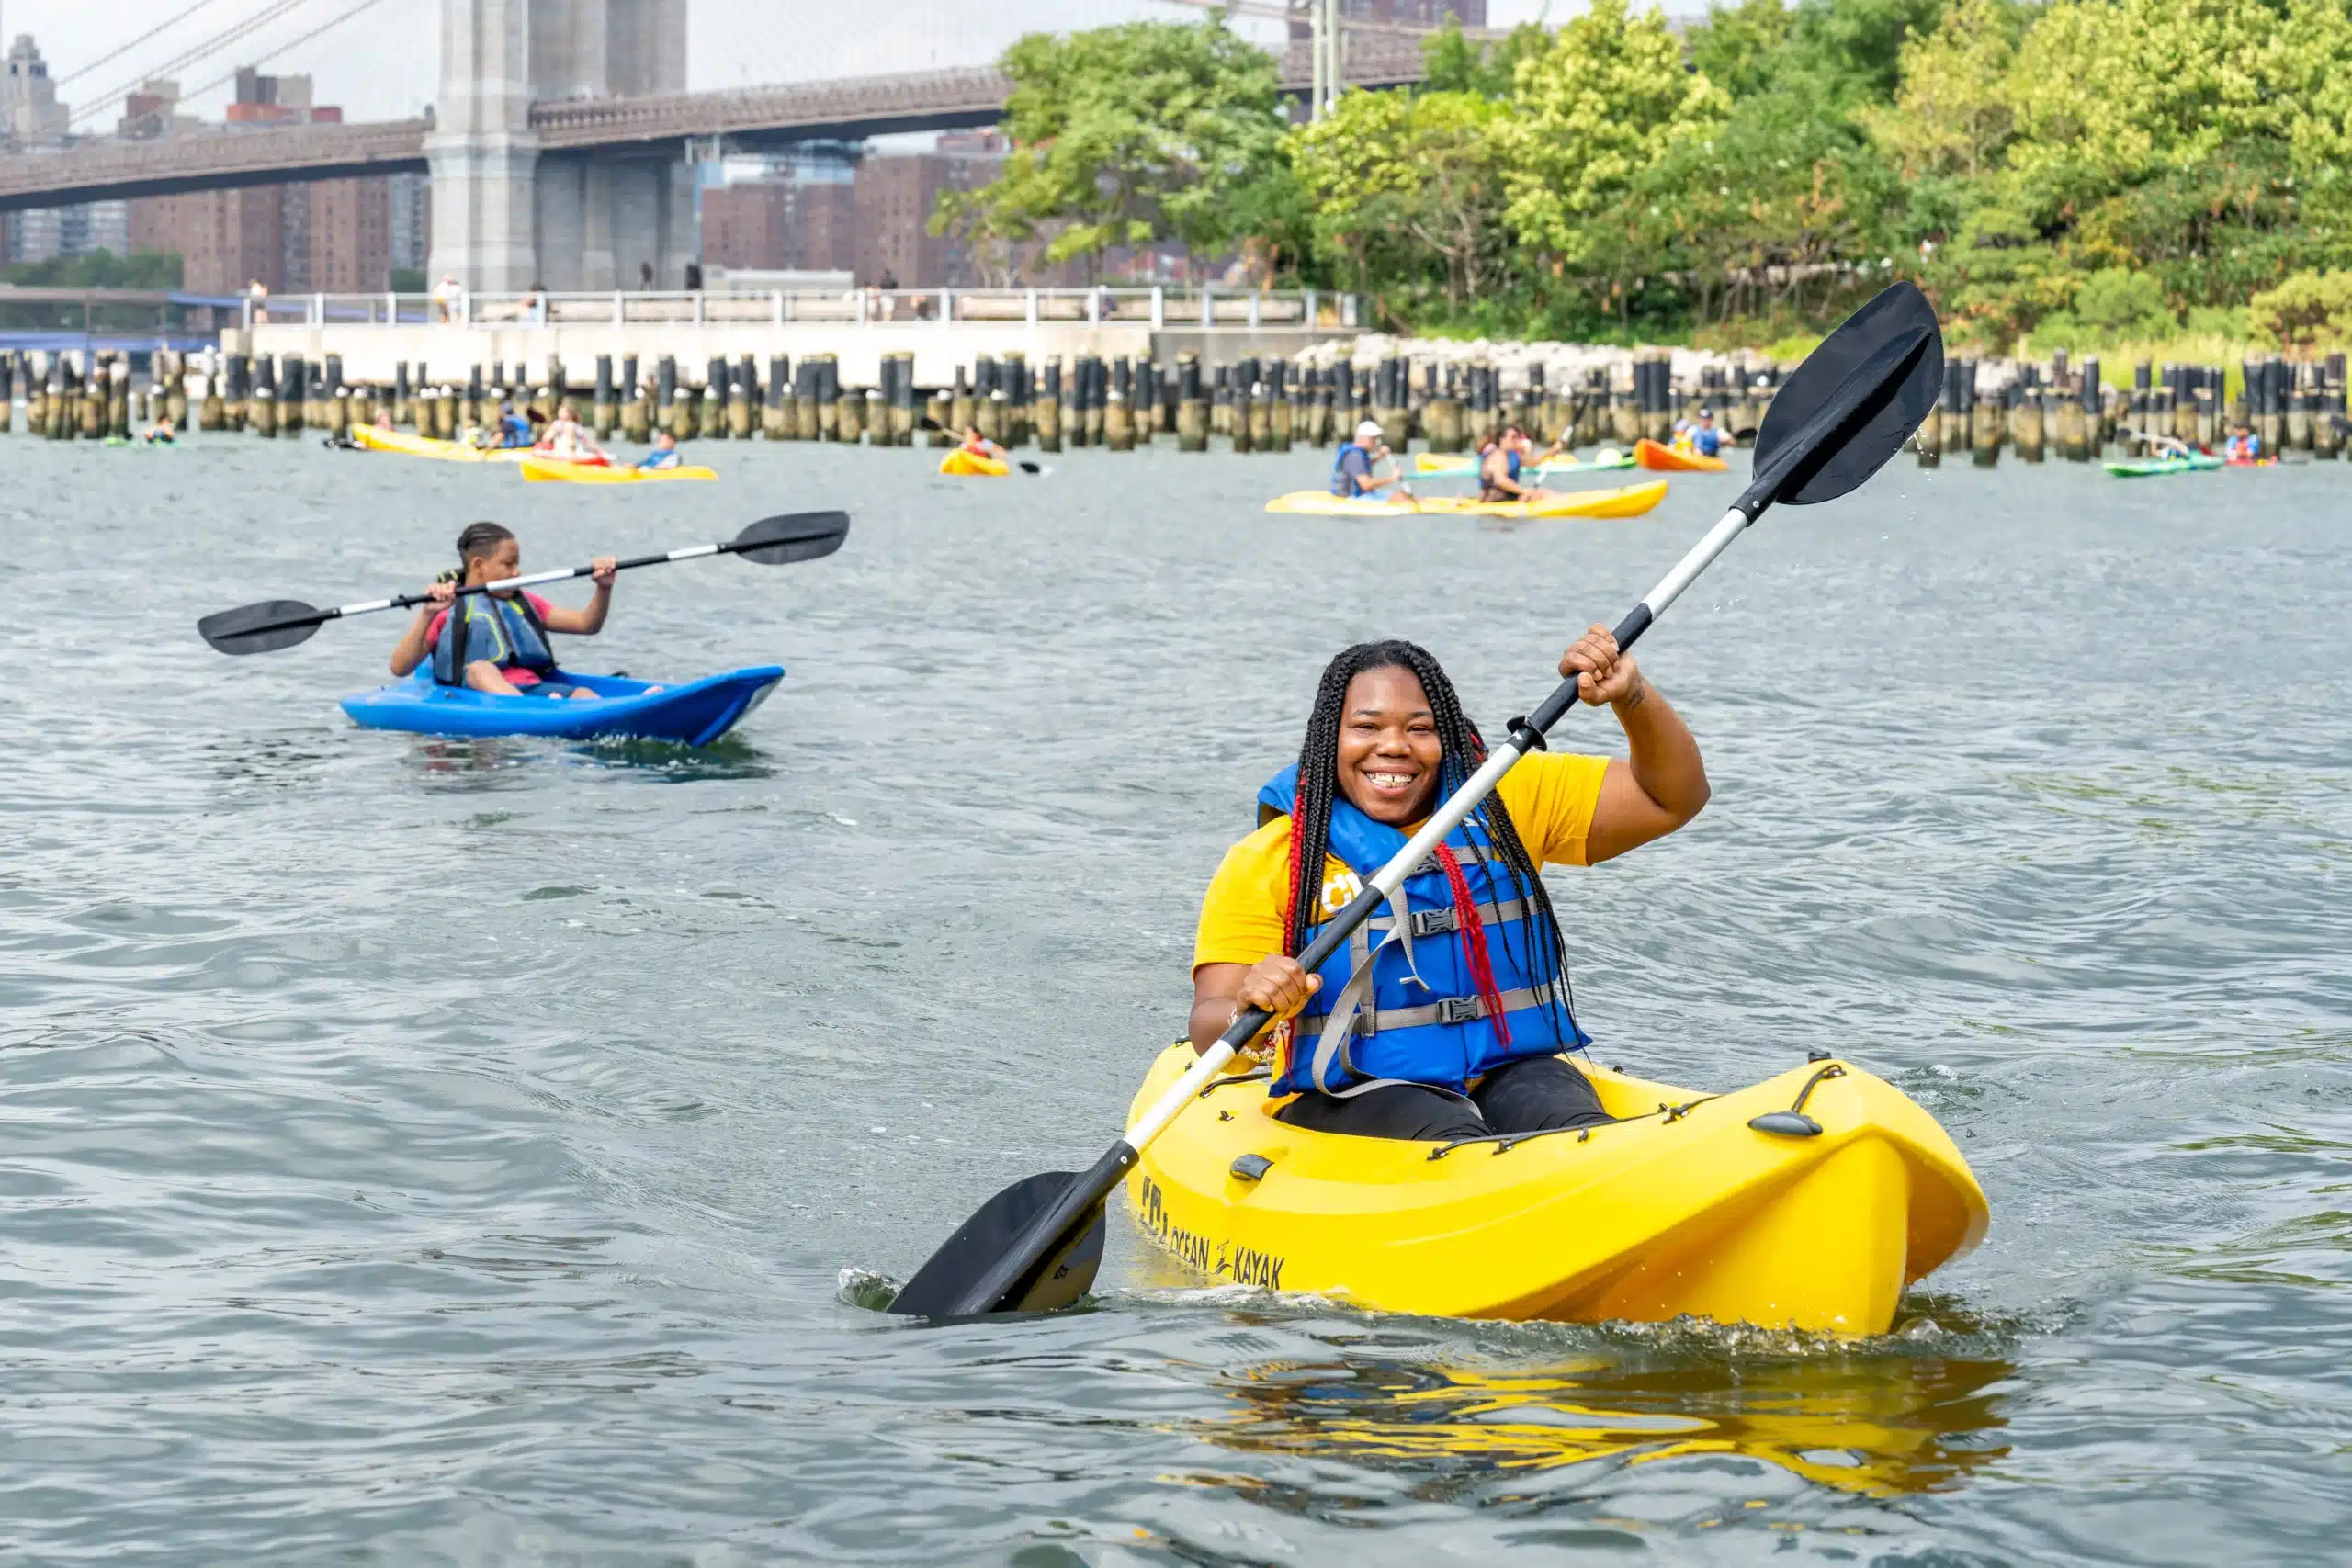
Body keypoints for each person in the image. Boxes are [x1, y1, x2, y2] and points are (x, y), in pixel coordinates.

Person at [1188, 632, 1710, 1142]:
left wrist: (1632, 698)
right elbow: (1209, 1028)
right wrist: (1250, 1005)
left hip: (1508, 1068)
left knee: (1567, 1122)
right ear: (1332, 738)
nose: (1392, 747)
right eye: (1366, 727)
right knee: (1449, 1134)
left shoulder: (1507, 797)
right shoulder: (1271, 859)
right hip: (1353, 1092)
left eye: (1420, 728)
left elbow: (1672, 799)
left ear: (1448, 737)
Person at [389, 523, 627, 700]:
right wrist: (427, 613)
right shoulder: (448, 608)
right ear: (479, 565)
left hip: (534, 689)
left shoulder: (524, 602)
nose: (517, 572)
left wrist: (603, 588)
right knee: (481, 669)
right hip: (475, 694)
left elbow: (587, 625)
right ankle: (530, 713)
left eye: (517, 564)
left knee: (583, 694)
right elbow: (399, 668)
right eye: (508, 564)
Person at [1330, 419, 1405, 499]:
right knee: (1400, 498)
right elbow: (1366, 484)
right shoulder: (1355, 456)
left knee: (1402, 495)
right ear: (1363, 438)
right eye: (1373, 438)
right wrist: (1391, 478)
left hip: (1362, 494)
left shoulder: (1358, 453)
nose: (1377, 442)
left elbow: (1361, 466)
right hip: (1353, 498)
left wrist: (1379, 456)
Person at [1477, 424, 1549, 503]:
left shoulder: (1510, 455)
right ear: (1502, 439)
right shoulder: (1498, 455)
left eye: (1517, 437)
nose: (1516, 441)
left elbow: (1531, 462)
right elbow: (1501, 481)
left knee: (1543, 493)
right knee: (1541, 494)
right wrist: (1524, 491)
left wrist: (1552, 451)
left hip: (1506, 497)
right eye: (1513, 437)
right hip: (1494, 499)